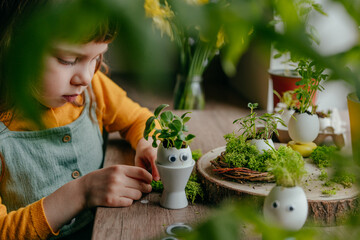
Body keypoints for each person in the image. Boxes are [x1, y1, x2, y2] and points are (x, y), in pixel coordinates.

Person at [0, 1, 160, 239]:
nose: (85, 78)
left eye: (98, 57)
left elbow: (139, 119)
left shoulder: (94, 89)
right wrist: (81, 193)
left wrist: (148, 143)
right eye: (68, 59)